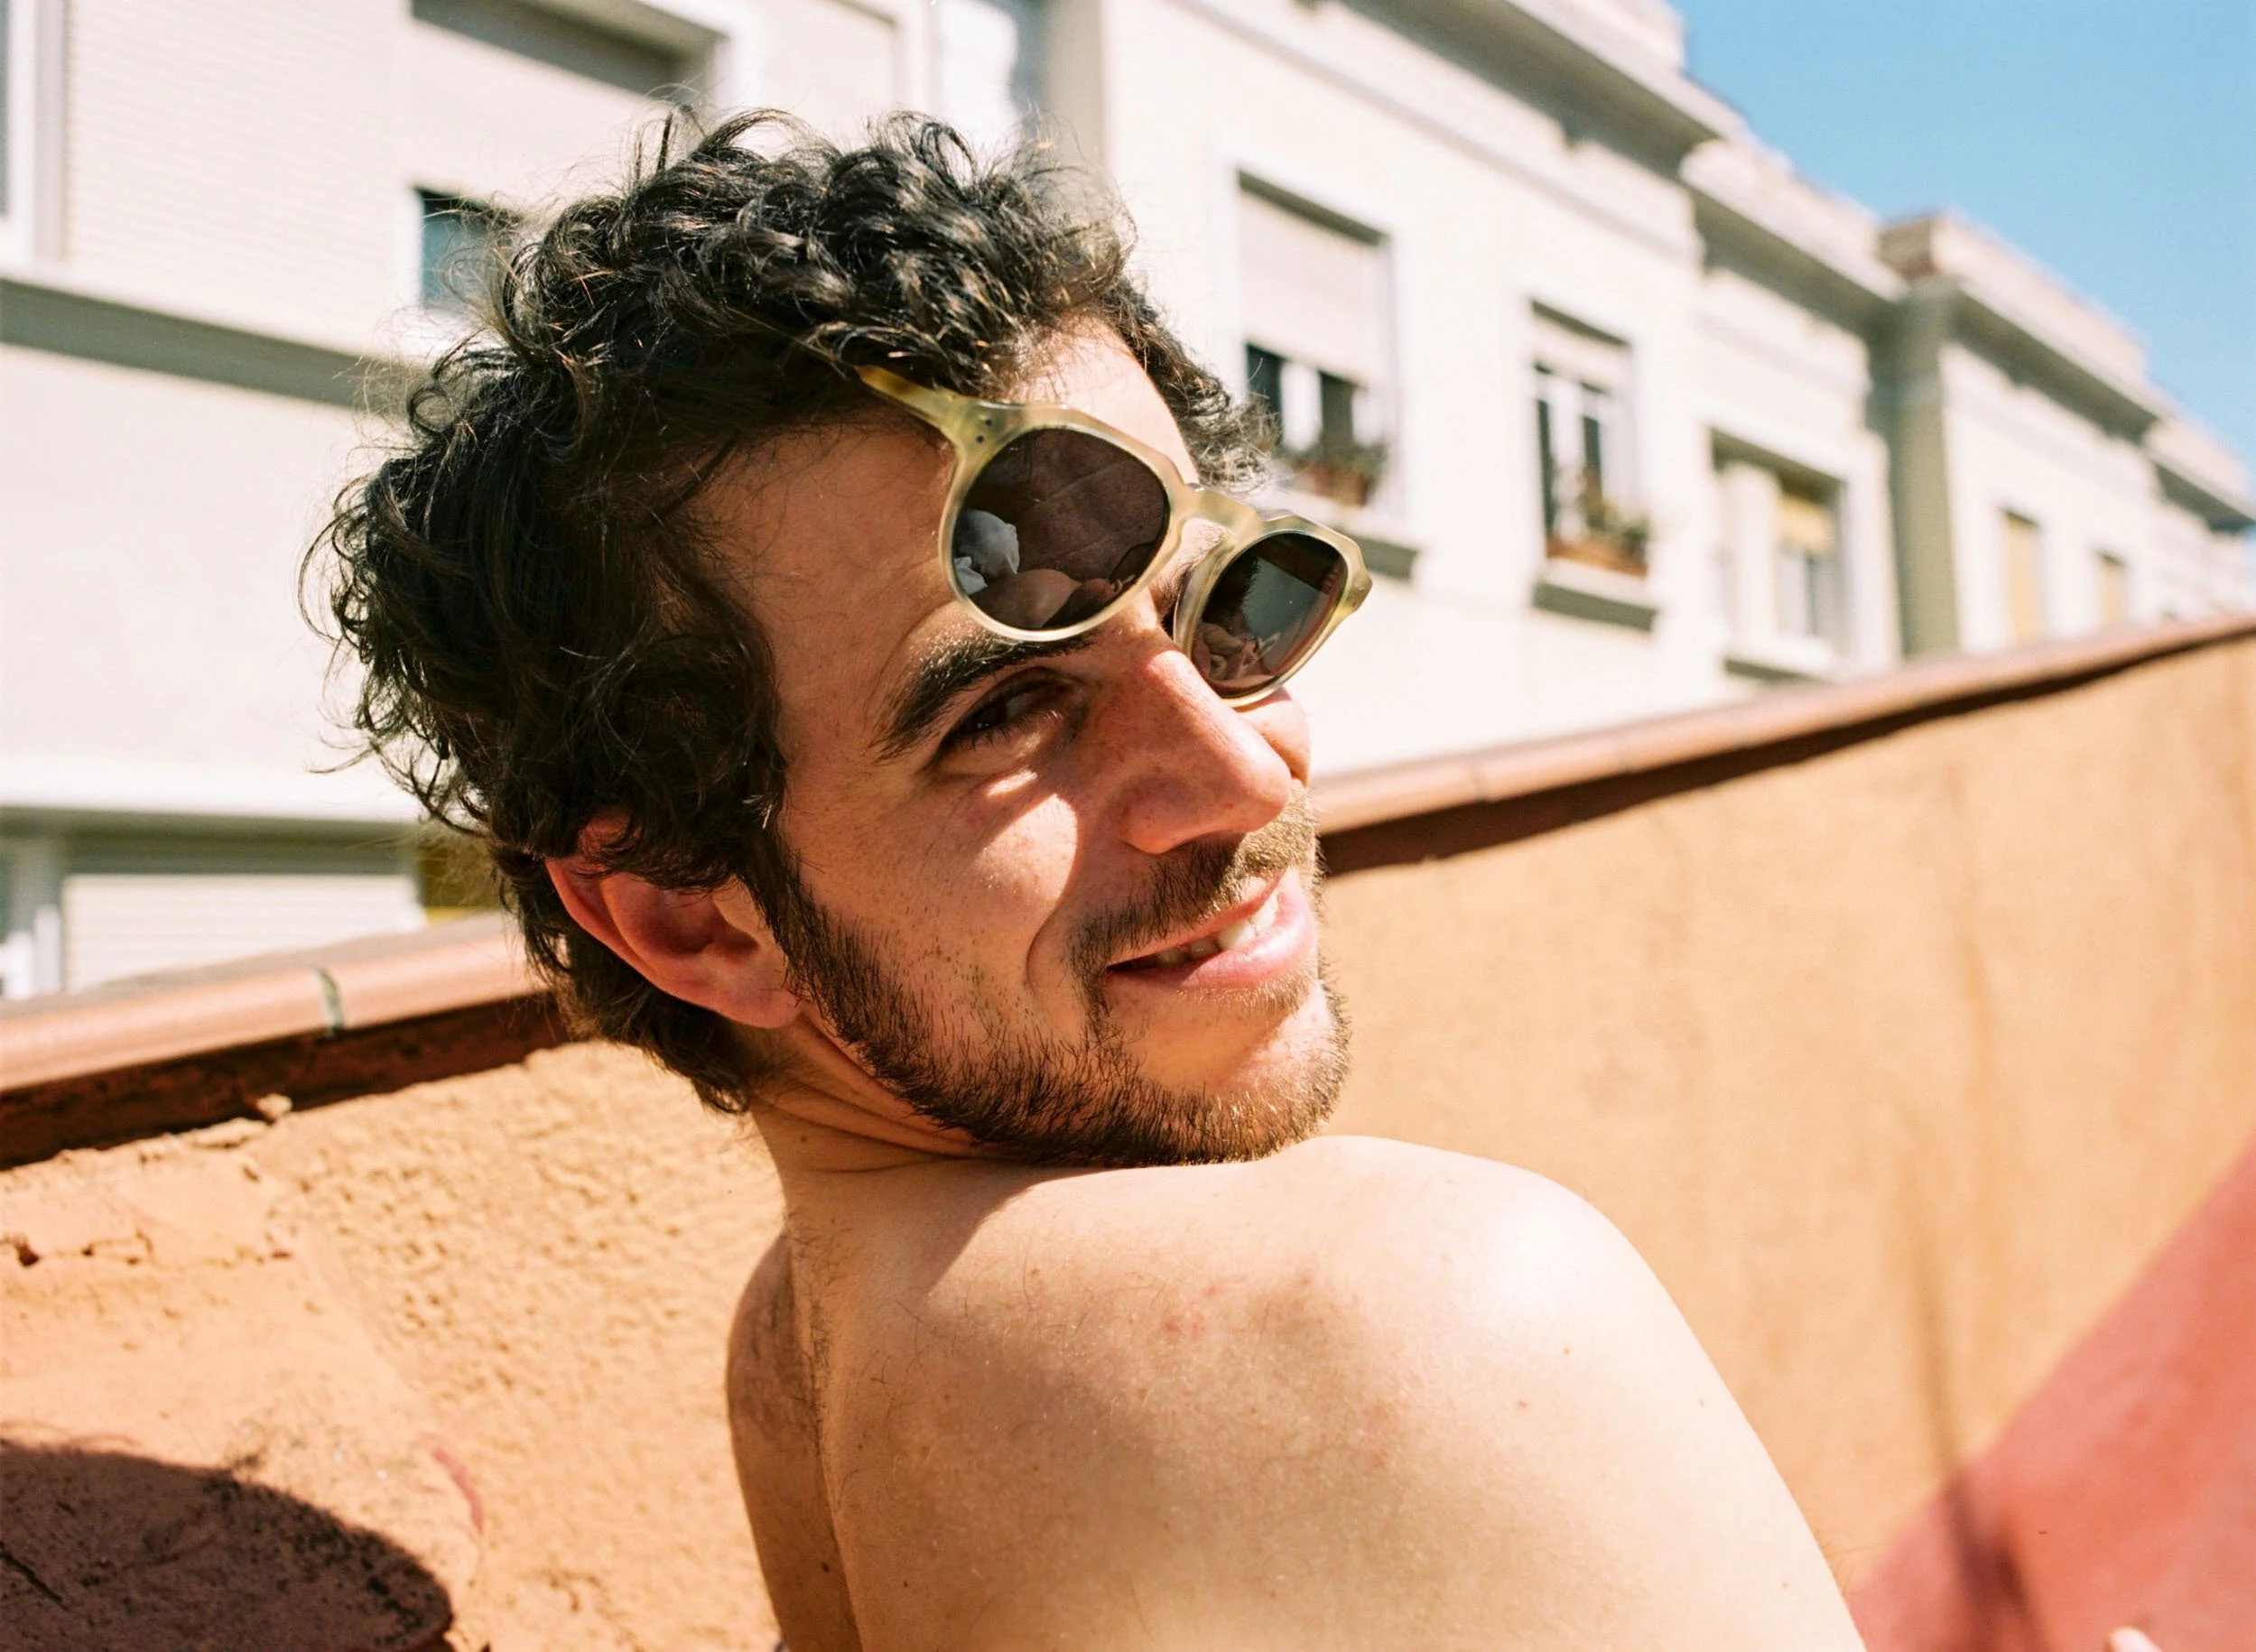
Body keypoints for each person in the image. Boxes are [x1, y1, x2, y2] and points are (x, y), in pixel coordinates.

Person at [320, 113, 1863, 1650]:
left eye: (1227, 609)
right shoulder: (1416, 1316)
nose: (1246, 777)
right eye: (1003, 711)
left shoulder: (799, 1351)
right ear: (681, 913)